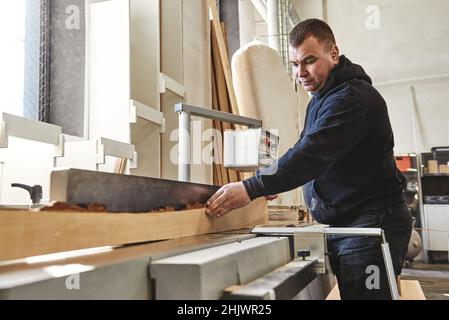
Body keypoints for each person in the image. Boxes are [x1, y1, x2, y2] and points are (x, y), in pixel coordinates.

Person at [206, 18, 412, 300]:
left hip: (371, 224)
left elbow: (311, 154)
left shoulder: (351, 99)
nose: (300, 73)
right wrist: (273, 184)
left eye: (309, 61)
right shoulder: (321, 97)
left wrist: (252, 188)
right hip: (350, 223)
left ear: (334, 54)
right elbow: (305, 148)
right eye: (294, 64)